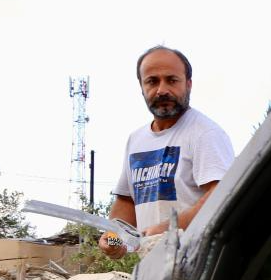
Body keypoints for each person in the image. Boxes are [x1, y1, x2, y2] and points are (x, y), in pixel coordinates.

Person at [99, 46, 234, 259]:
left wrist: (169, 228)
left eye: (172, 80)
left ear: (188, 84)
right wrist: (115, 238)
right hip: (155, 267)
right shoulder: (136, 140)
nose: (162, 90)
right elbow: (127, 202)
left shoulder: (205, 133)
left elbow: (222, 195)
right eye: (152, 81)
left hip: (201, 264)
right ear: (141, 87)